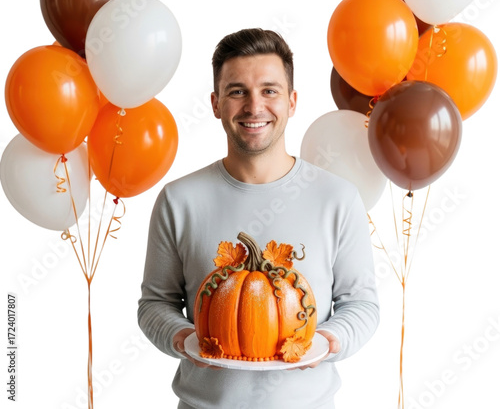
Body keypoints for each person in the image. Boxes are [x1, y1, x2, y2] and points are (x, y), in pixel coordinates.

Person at [138, 28, 379, 409]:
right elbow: (154, 304)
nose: (254, 106)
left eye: (270, 90)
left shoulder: (337, 198)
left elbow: (362, 305)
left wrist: (327, 342)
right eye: (237, 91)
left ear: (292, 101)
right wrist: (186, 339)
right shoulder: (179, 200)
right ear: (216, 103)